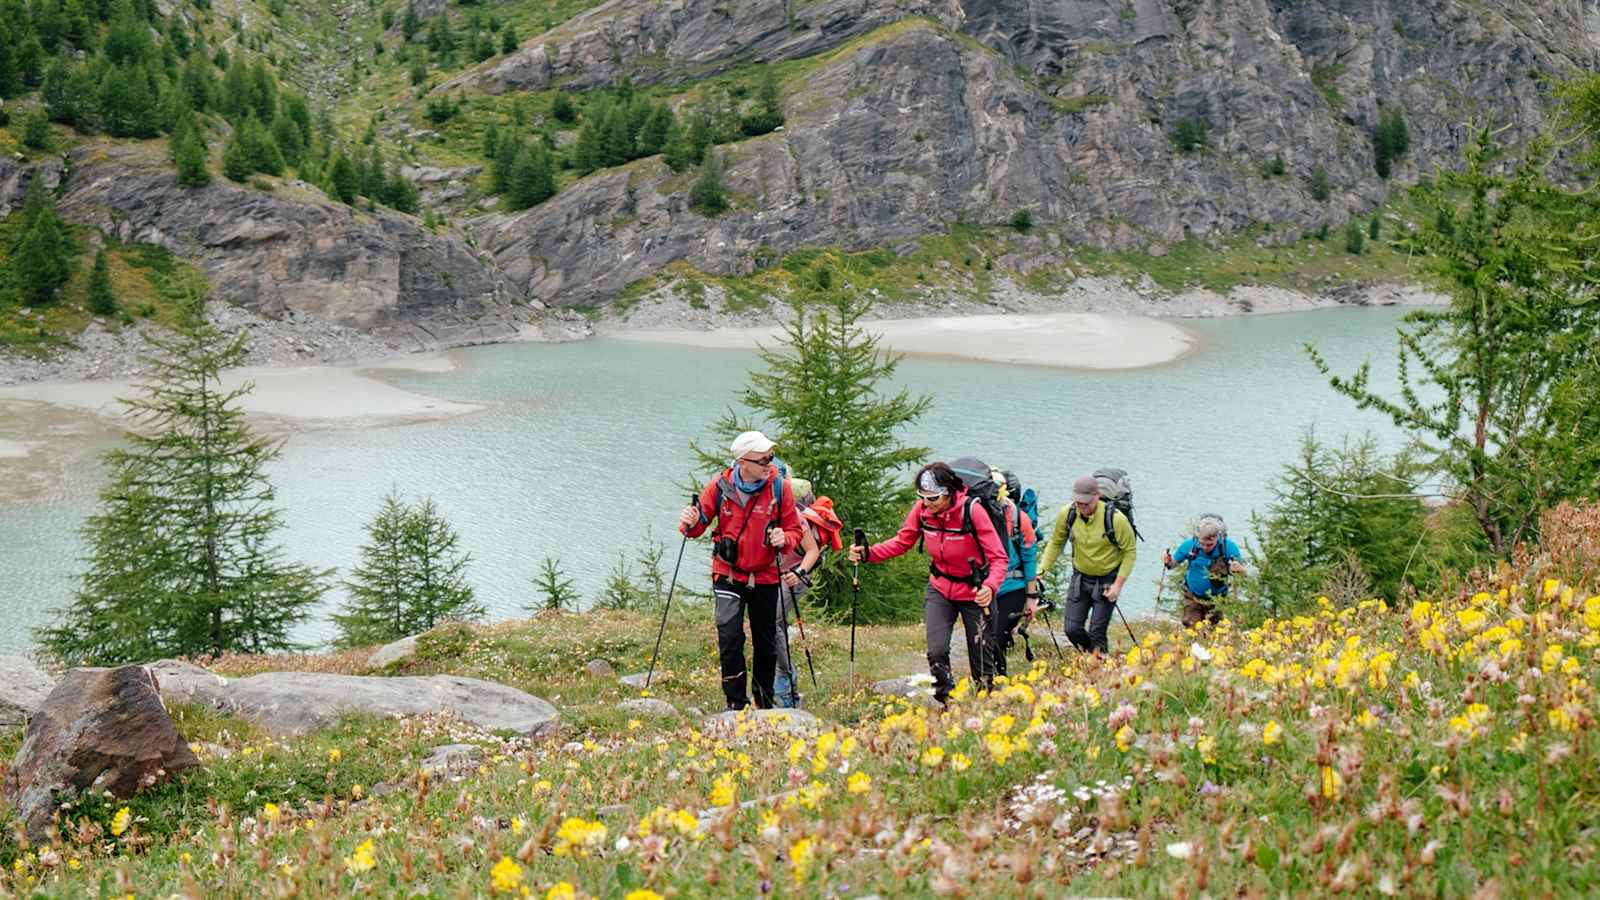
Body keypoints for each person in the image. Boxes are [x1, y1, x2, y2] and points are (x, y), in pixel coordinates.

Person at [848, 461, 1006, 705]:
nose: (927, 504)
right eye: (922, 497)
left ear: (949, 492)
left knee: (982, 662)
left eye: (933, 498)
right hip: (940, 588)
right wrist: (868, 553)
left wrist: (990, 587)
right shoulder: (922, 510)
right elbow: (902, 542)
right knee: (936, 651)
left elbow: (998, 557)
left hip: (975, 592)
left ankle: (986, 707)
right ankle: (948, 702)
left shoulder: (972, 511)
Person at [678, 431, 802, 711]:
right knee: (730, 637)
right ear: (742, 462)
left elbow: (795, 530)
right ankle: (735, 702)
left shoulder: (780, 488)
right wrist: (689, 519)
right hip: (728, 573)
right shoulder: (719, 487)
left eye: (771, 458)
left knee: (766, 642)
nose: (769, 464)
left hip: (766, 575)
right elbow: (695, 528)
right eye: (762, 460)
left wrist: (786, 539)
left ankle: (763, 701)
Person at [1037, 474, 1136, 654]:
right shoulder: (1068, 514)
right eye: (1078, 503)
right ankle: (1095, 658)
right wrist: (1041, 570)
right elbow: (1056, 542)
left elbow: (1130, 552)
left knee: (1097, 631)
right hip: (1081, 578)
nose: (1082, 507)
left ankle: (1099, 667)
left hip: (1107, 580)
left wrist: (1117, 586)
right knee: (1071, 629)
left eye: (1086, 503)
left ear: (1097, 497)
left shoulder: (1115, 519)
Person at [772, 480, 843, 708]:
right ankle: (781, 680)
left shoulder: (795, 516)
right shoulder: (768, 508)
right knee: (774, 625)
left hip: (795, 575)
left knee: (774, 622)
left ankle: (785, 679)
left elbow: (812, 552)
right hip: (775, 574)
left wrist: (799, 572)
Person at [990, 470, 1040, 677]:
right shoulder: (977, 516)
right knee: (985, 639)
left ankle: (997, 681)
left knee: (995, 639)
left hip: (1013, 588)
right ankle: (989, 680)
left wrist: (1031, 597)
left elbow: (1029, 559)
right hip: (987, 588)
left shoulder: (1021, 520)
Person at [1162, 515, 1245, 629]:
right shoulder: (1189, 545)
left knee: (1215, 630)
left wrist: (1239, 568)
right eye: (1202, 544)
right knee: (1191, 626)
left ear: (1217, 537)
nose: (1205, 547)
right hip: (1193, 596)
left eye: (1210, 545)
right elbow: (1172, 565)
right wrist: (1167, 560)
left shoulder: (1228, 547)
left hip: (1217, 599)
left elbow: (1243, 570)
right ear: (1198, 538)